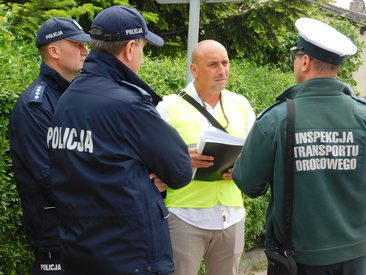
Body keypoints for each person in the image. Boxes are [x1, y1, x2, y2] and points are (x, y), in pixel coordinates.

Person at [47, 5, 192, 275]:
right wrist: (151, 171)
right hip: (131, 257)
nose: (142, 57)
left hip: (80, 252)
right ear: (129, 49)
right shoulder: (128, 103)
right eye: (143, 49)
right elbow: (180, 169)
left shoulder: (68, 99)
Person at [233, 17, 366, 275]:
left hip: (297, 261)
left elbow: (248, 183)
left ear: (305, 61)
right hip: (356, 256)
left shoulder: (276, 119)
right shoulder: (362, 116)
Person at [156, 39, 256, 275]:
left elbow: (255, 153)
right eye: (213, 64)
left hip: (232, 216)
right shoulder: (169, 107)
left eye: (225, 63)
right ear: (194, 69)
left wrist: (243, 167)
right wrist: (181, 159)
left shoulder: (241, 105)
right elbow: (151, 161)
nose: (222, 70)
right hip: (184, 217)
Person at [8, 17, 90, 274]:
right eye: (77, 44)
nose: (85, 51)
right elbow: (49, 176)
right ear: (54, 51)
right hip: (56, 237)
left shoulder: (76, 96)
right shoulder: (35, 106)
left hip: (84, 233)